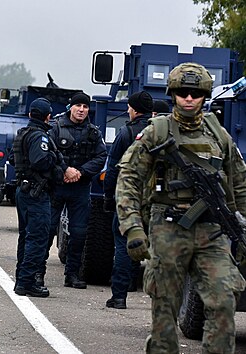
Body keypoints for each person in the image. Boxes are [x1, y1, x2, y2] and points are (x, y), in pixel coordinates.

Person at [116, 62, 246, 353]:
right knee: (164, 309)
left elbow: (239, 183)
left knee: (224, 301)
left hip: (212, 232)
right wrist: (133, 228)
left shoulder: (219, 134)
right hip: (168, 229)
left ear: (204, 96)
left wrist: (242, 227)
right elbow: (128, 179)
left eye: (196, 93)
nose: (189, 99)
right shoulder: (157, 132)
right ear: (173, 94)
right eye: (183, 93)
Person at [43, 92, 107, 289]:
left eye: (85, 107)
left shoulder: (93, 132)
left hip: (80, 188)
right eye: (78, 105)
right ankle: (38, 272)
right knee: (47, 230)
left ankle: (72, 274)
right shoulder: (55, 127)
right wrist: (64, 171)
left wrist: (80, 172)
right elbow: (47, 154)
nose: (81, 110)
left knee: (79, 233)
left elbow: (101, 156)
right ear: (71, 107)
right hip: (57, 186)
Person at [102, 91, 153, 309]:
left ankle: (120, 295)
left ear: (133, 109)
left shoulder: (126, 132)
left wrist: (108, 195)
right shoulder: (160, 133)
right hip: (156, 200)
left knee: (123, 244)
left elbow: (113, 168)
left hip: (129, 199)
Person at [12, 98, 65, 297]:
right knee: (37, 238)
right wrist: (55, 159)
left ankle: (21, 279)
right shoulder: (39, 137)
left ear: (29, 115)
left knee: (26, 236)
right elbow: (40, 161)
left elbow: (13, 157)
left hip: (24, 191)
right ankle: (27, 282)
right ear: (48, 117)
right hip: (36, 193)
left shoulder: (22, 133)